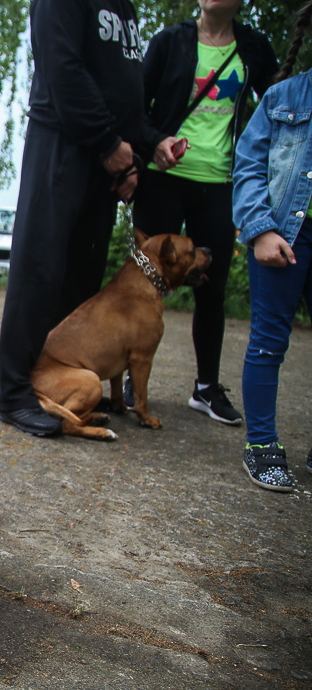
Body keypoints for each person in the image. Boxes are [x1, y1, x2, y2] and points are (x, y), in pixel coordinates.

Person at [0, 0, 162, 436]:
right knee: (40, 269)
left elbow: (122, 88)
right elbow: (62, 66)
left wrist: (144, 146)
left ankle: (63, 380)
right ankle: (14, 394)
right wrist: (109, 142)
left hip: (102, 155)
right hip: (62, 141)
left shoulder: (123, 6)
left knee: (82, 277)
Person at [133, 0, 277, 427]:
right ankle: (131, 383)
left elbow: (279, 107)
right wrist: (156, 140)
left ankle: (206, 388)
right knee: (143, 283)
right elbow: (135, 108)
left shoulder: (254, 49)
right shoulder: (169, 42)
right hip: (164, 179)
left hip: (219, 184)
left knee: (210, 288)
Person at [232, 1, 312, 493]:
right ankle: (261, 445)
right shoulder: (284, 98)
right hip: (284, 236)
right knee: (267, 342)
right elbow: (248, 166)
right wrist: (260, 229)